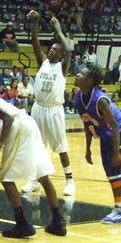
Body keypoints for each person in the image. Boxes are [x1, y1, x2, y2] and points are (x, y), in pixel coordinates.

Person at [0, 71, 66, 238]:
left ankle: (23, 224)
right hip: (28, 124)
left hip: (18, 127)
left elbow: (7, 119)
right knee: (42, 175)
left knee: (6, 177)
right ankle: (58, 222)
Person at [74, 65, 121, 224]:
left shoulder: (100, 100)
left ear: (90, 81)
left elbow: (116, 127)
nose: (77, 74)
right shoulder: (78, 97)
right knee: (110, 169)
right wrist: (88, 148)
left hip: (120, 133)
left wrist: (117, 153)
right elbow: (87, 123)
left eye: (82, 73)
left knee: (115, 170)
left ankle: (120, 209)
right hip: (106, 135)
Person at [23, 11, 76, 196]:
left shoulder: (62, 67)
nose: (51, 50)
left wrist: (59, 30)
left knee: (61, 147)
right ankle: (34, 180)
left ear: (60, 54)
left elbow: (69, 49)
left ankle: (70, 180)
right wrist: (36, 22)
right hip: (38, 108)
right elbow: (34, 42)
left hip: (54, 110)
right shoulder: (43, 62)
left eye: (54, 49)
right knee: (36, 146)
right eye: (51, 49)